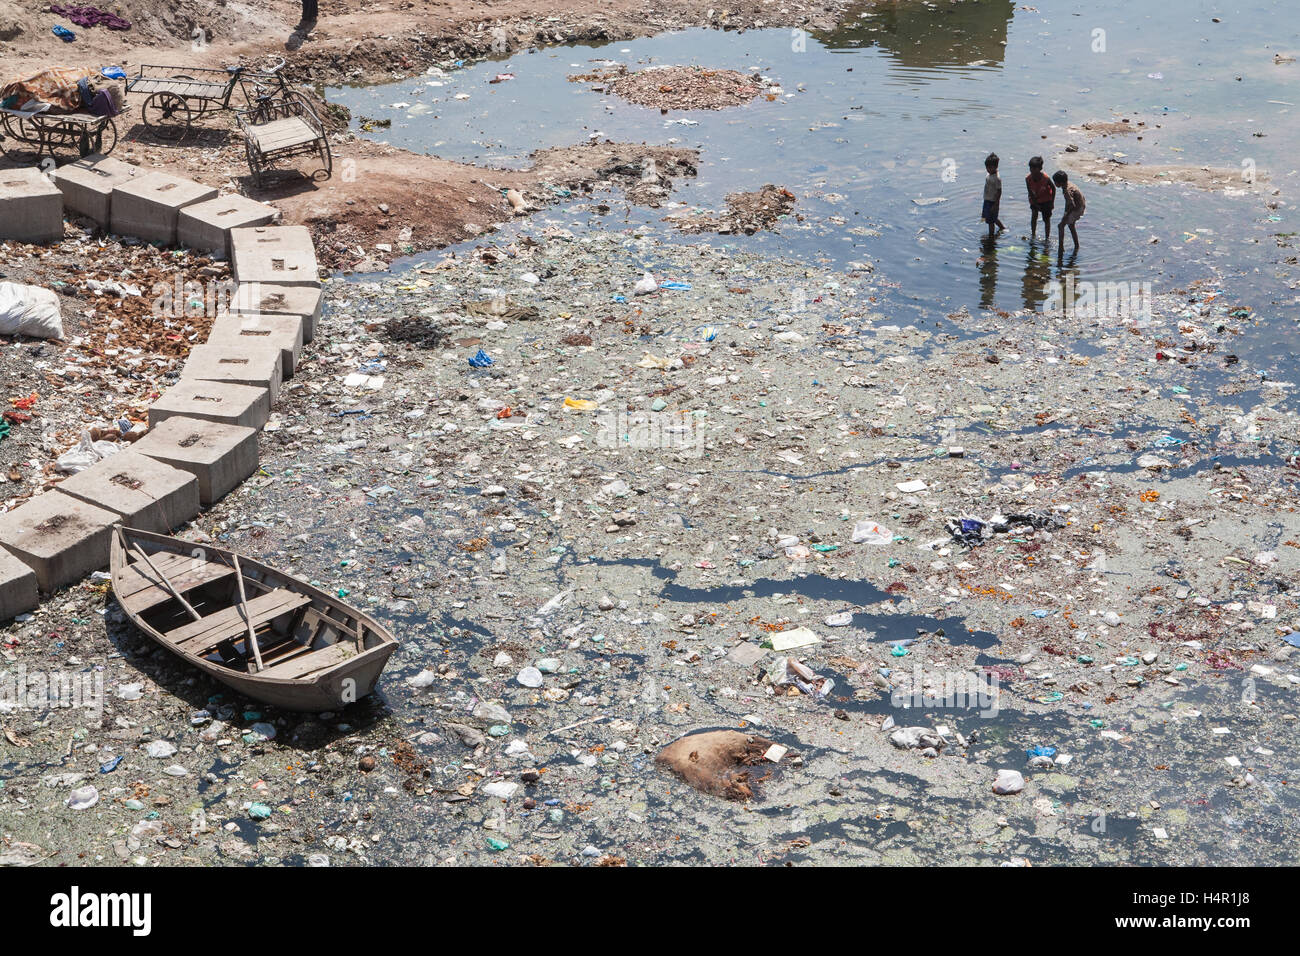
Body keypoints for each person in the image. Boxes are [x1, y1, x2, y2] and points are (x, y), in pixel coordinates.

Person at [1053, 170, 1085, 252]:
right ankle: (1076, 245)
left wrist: (1065, 216)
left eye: (1055, 182)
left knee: (1060, 226)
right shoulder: (1068, 184)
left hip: (1076, 209)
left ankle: (1061, 248)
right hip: (1081, 205)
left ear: (1060, 183)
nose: (1054, 184)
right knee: (1071, 226)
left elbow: (1071, 205)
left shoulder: (1067, 191)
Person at [1025, 156, 1055, 243]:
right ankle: (1033, 234)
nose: (1032, 170)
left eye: (1034, 168)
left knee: (1046, 219)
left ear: (1040, 168)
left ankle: (1047, 238)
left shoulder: (1046, 178)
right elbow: (1029, 191)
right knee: (1034, 215)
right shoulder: (1028, 179)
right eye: (1031, 168)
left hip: (1046, 200)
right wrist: (1035, 203)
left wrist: (1052, 202)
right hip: (1034, 199)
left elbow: (1053, 188)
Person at [981, 152, 1005, 236]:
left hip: (992, 201)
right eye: (986, 167)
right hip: (987, 199)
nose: (987, 169)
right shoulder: (989, 174)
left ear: (995, 167)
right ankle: (1002, 228)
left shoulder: (997, 178)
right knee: (991, 218)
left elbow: (999, 191)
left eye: (989, 167)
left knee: (990, 221)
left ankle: (991, 236)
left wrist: (996, 204)